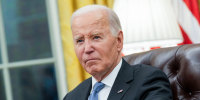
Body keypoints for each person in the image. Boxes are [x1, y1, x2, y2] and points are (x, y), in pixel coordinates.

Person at [63, 5, 172, 100]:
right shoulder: (72, 97)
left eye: (96, 37)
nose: (87, 49)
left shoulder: (148, 80)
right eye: (80, 41)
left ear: (118, 40)